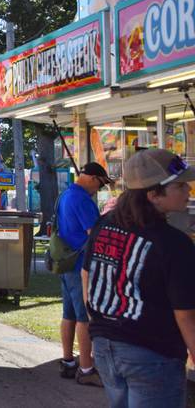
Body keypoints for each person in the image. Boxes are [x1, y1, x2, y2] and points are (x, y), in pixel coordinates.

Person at [83, 149, 195, 407]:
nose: (189, 190)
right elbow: (185, 315)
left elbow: (87, 274)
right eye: (180, 185)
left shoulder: (105, 225)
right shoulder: (174, 244)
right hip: (151, 354)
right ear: (153, 195)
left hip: (105, 347)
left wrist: (99, 324)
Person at [57, 162, 111, 386]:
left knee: (69, 315)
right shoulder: (81, 199)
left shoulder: (66, 194)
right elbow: (95, 235)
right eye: (99, 184)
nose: (98, 189)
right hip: (81, 266)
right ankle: (87, 369)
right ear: (91, 178)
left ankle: (69, 361)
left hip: (66, 262)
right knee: (84, 318)